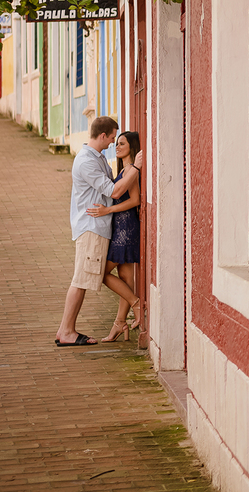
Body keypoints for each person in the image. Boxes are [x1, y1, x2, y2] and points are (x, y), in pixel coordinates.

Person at [54, 116, 143, 347]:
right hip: (91, 227)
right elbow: (114, 191)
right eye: (112, 137)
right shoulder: (87, 161)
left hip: (100, 227)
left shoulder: (98, 157)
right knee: (81, 279)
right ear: (103, 135)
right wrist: (136, 167)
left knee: (86, 277)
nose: (114, 142)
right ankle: (66, 331)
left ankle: (76, 328)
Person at [86, 131, 143, 342]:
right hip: (121, 228)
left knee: (100, 273)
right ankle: (120, 323)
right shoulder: (125, 170)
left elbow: (135, 200)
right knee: (126, 279)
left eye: (122, 143)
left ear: (131, 147)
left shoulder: (130, 170)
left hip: (125, 230)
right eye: (116, 143)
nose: (117, 147)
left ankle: (136, 304)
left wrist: (107, 211)